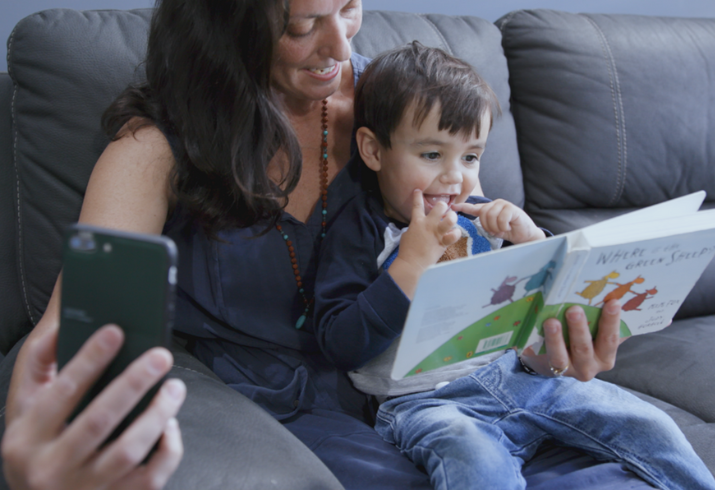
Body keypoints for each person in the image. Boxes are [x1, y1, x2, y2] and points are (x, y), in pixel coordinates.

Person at [1, 1, 662, 489]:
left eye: (348, 8)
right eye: (300, 25)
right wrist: (35, 447)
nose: (340, 47)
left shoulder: (401, 105)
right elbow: (79, 329)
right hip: (281, 400)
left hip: (429, 383)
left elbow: (473, 260)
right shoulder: (157, 147)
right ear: (224, 27)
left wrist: (544, 341)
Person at [313, 42, 715, 490]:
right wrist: (408, 265)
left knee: (648, 424)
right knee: (473, 460)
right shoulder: (358, 230)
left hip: (522, 378)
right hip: (426, 403)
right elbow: (340, 342)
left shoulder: (479, 213)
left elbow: (536, 303)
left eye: (470, 156)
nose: (454, 176)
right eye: (432, 155)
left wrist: (532, 240)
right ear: (373, 150)